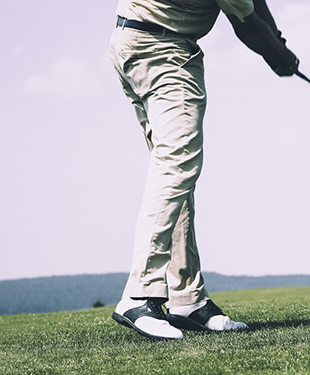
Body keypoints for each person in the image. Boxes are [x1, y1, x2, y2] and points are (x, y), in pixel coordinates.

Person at [108, 0, 299, 340]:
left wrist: (278, 40)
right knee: (177, 164)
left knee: (175, 175)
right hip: (164, 50)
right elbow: (247, 23)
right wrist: (278, 54)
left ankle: (187, 299)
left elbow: (255, 5)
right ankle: (140, 294)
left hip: (133, 41)